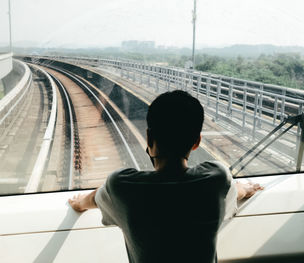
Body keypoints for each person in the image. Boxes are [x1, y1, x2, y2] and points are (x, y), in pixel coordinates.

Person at [69, 90, 263, 263]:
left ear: (149, 137)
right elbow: (231, 190)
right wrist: (245, 189)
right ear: (197, 142)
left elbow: (94, 198)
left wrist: (79, 204)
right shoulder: (216, 179)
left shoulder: (123, 187)